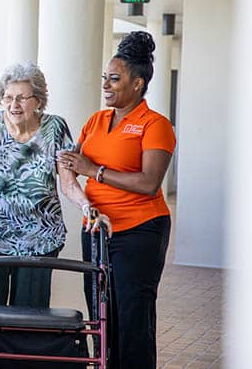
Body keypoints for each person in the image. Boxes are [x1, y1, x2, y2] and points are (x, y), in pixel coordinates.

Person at [0, 62, 108, 367]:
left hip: (40, 238)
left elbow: (67, 182)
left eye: (22, 97)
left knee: (29, 320)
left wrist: (86, 206)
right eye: (8, 97)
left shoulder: (55, 128)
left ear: (38, 100)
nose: (14, 104)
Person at [57, 31, 175, 369]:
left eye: (114, 78)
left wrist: (94, 171)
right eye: (104, 78)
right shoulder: (96, 121)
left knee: (132, 314)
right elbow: (71, 165)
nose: (105, 85)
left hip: (139, 231)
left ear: (137, 84)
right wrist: (75, 183)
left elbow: (149, 183)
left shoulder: (156, 125)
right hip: (96, 230)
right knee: (101, 311)